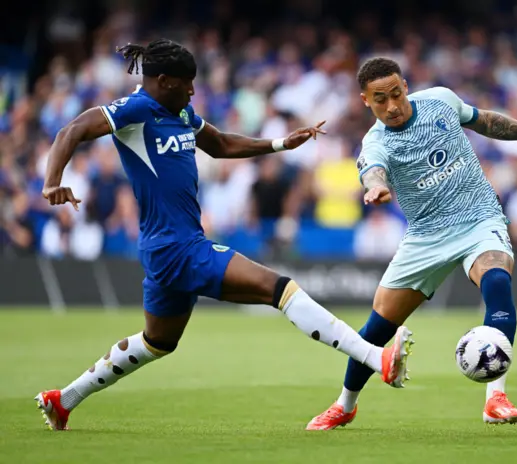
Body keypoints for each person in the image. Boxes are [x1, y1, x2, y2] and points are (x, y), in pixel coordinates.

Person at [34, 40, 414, 431]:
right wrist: (51, 183)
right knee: (280, 288)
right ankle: (376, 358)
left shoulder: (178, 110)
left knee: (157, 342)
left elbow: (219, 144)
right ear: (162, 81)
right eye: (187, 83)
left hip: (171, 247)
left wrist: (281, 143)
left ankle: (63, 400)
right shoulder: (135, 110)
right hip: (176, 247)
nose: (194, 91)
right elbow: (73, 129)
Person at [307, 57, 517, 430]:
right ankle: (345, 404)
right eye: (379, 100)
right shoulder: (374, 142)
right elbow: (372, 170)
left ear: (405, 86)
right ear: (364, 101)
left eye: (396, 94)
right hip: (425, 236)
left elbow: (486, 121)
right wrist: (375, 186)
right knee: (376, 331)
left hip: (477, 219)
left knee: (497, 281)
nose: (391, 106)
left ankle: (495, 398)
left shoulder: (440, 100)